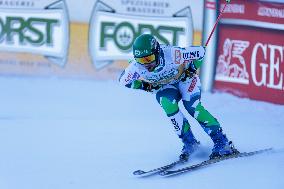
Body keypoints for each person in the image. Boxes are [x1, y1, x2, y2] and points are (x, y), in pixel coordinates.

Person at [119, 34, 239, 161]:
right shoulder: (136, 67)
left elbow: (200, 52)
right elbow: (123, 81)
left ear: (157, 51)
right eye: (141, 60)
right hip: (166, 86)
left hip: (185, 80)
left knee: (192, 107)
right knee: (167, 103)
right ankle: (190, 143)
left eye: (149, 58)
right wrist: (145, 86)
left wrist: (192, 68)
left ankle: (222, 143)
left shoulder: (173, 54)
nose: (146, 64)